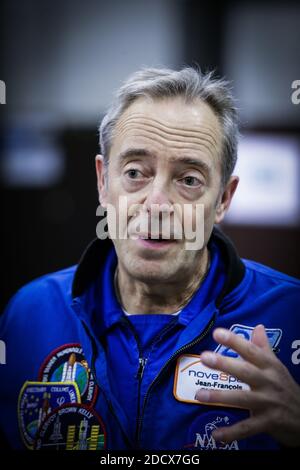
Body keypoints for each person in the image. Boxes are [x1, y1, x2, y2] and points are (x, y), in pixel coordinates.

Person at [0, 66, 299, 451]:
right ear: (102, 181)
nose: (157, 204)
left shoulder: (290, 315)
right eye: (135, 172)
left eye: (189, 179)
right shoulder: (29, 314)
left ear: (224, 198)